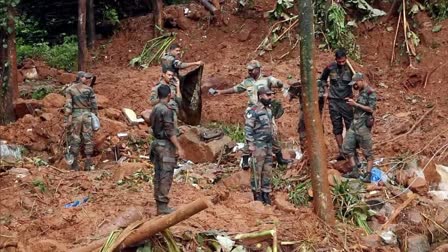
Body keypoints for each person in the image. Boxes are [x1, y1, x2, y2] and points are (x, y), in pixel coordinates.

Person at [213, 60, 291, 168]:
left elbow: (280, 84)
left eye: (251, 70)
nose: (249, 72)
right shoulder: (247, 82)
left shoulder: (267, 80)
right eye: (248, 70)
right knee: (250, 134)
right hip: (253, 111)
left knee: (271, 133)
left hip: (265, 111)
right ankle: (245, 159)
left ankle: (279, 158)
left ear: (258, 69)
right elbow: (236, 89)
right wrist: (220, 92)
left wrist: (285, 89)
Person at [149, 84, 185, 215]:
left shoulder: (155, 109)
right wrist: (179, 147)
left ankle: (159, 203)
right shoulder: (167, 110)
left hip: (156, 144)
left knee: (158, 174)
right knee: (165, 175)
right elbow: (170, 132)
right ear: (169, 95)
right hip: (165, 146)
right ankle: (163, 205)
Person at [319, 49, 354, 160]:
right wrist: (325, 90)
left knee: (350, 126)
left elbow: (358, 83)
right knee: (337, 127)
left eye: (343, 61)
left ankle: (351, 151)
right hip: (333, 101)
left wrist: (356, 87)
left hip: (346, 101)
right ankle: (342, 151)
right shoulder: (330, 67)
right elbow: (322, 79)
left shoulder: (350, 69)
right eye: (339, 62)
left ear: (346, 59)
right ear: (336, 60)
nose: (341, 64)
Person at [341, 73, 377, 181]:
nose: (355, 86)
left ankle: (368, 174)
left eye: (356, 83)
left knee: (368, 152)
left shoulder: (370, 92)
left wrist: (356, 105)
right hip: (354, 124)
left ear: (361, 80)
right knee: (346, 147)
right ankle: (354, 171)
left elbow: (371, 109)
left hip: (363, 126)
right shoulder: (360, 92)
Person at [245, 86, 275, 205]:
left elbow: (271, 127)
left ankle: (265, 193)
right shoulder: (254, 110)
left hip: (268, 145)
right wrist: (250, 144)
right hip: (258, 145)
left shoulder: (269, 110)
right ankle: (257, 195)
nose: (270, 97)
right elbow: (248, 128)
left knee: (267, 170)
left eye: (271, 94)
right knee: (257, 170)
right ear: (261, 96)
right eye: (268, 95)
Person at [64, 71, 98, 171]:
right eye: (85, 78)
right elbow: (94, 105)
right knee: (88, 138)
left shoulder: (70, 89)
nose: (87, 79)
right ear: (80, 78)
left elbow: (68, 106)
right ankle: (88, 163)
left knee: (75, 138)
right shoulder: (89, 89)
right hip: (87, 115)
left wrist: (66, 119)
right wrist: (95, 116)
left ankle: (74, 164)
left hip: (76, 116)